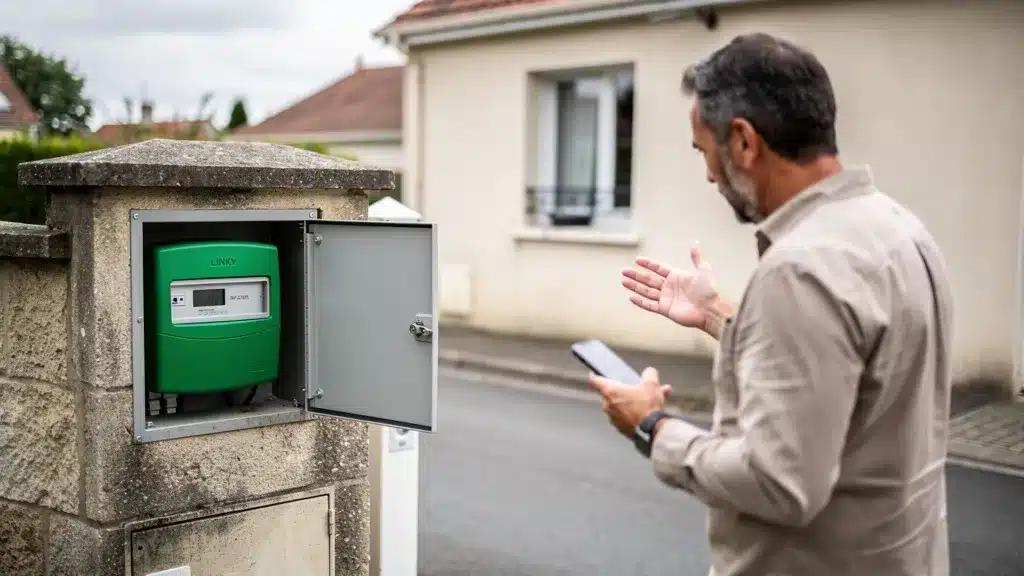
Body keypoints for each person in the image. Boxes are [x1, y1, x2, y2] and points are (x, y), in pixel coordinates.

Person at [588, 33, 953, 576]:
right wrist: (717, 315)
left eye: (704, 151)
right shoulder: (900, 231)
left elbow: (778, 483)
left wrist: (653, 427)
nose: (710, 174)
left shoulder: (799, 270)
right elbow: (852, 367)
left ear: (742, 141)